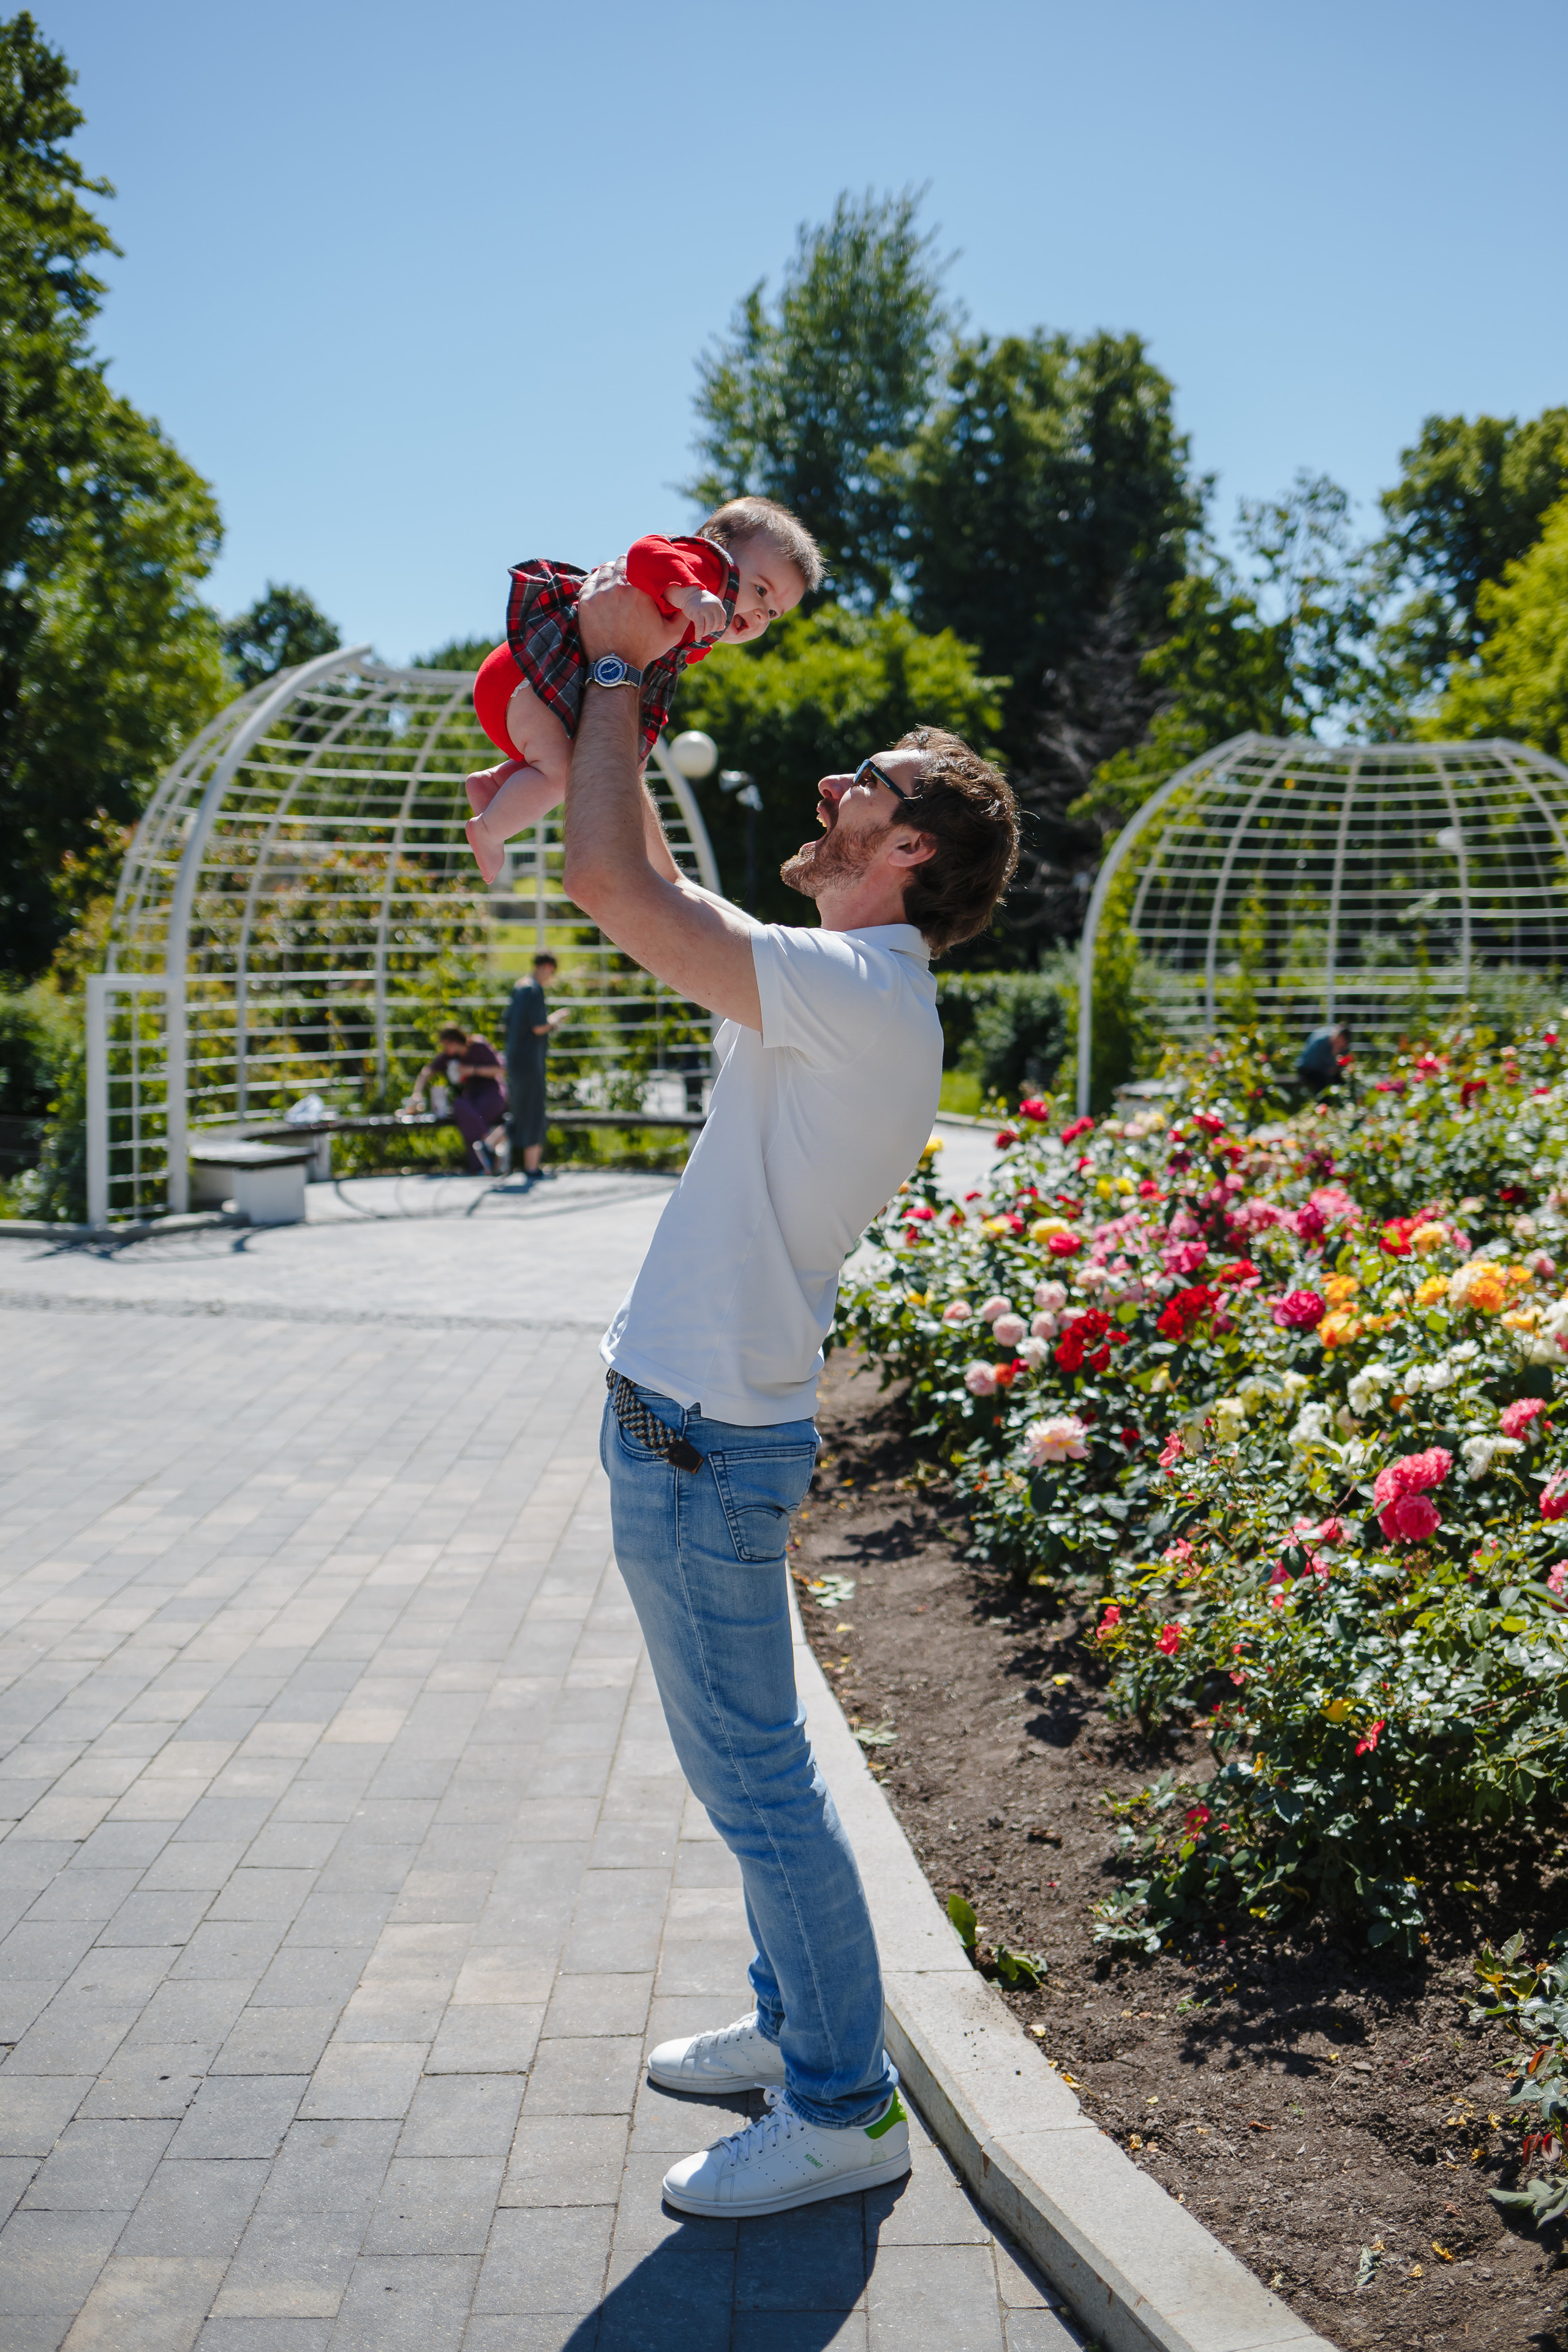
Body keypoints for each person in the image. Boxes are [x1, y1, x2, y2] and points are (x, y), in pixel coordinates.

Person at [560, 564, 1020, 2222]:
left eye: (867, 789)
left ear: (909, 855)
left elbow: (609, 878)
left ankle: (841, 2107)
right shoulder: (839, 986)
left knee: (761, 1789)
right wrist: (630, 703)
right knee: (751, 1779)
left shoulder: (858, 989)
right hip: (694, 1432)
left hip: (700, 1448)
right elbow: (663, 886)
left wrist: (618, 678)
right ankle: (792, 2033)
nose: (833, 789)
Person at [461, 496, 822, 884]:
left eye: (772, 614)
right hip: (529, 676)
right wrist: (691, 593)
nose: (758, 616)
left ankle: (496, 784)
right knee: (565, 773)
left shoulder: (696, 630)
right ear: (721, 548)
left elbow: (651, 684)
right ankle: (489, 831)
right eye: (761, 591)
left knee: (578, 765)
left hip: (530, 684)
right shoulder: (710, 571)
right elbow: (645, 552)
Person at [404, 1024, 505, 1174]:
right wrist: (416, 1095)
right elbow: (426, 1073)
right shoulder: (450, 1056)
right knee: (461, 1107)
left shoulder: (479, 1046)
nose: (445, 1050)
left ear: (455, 1041)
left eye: (446, 1045)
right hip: (473, 1096)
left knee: (470, 1118)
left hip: (493, 1095)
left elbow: (500, 1071)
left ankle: (482, 1158)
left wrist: (472, 1070)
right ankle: (486, 1149)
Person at [505, 952, 569, 1186]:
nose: (550, 977)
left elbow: (509, 1022)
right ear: (546, 967)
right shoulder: (533, 990)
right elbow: (538, 1027)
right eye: (551, 972)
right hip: (530, 1061)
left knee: (521, 1107)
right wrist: (556, 1019)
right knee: (533, 1110)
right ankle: (531, 1167)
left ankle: (490, 1145)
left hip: (515, 1059)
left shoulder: (518, 987)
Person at [1297, 1019, 1351, 1095]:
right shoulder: (1322, 1041)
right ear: (1338, 1036)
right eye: (1340, 1041)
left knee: (1343, 1080)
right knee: (1324, 1080)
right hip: (1307, 1068)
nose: (1341, 1044)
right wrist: (1334, 1055)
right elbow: (1315, 1063)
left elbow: (1344, 1059)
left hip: (1322, 1069)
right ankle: (1323, 1104)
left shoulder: (1341, 1044)